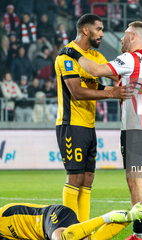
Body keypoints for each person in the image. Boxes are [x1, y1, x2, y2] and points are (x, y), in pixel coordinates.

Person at [59, 21, 142, 240]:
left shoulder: (130, 59)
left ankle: (140, 235)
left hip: (136, 126)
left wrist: (72, 53)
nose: (121, 38)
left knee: (134, 181)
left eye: (125, 34)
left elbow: (96, 70)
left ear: (135, 37)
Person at [54, 14, 132, 223]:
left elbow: (117, 77)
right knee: (75, 177)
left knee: (88, 179)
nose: (102, 34)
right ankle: (67, 227)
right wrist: (111, 93)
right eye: (99, 29)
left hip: (88, 126)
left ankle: (83, 227)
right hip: (71, 125)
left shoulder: (95, 58)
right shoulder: (66, 57)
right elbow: (77, 92)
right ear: (86, 30)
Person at [0, 202, 142, 240]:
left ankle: (108, 216)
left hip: (52, 215)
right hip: (50, 231)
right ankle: (131, 215)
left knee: (59, 239)